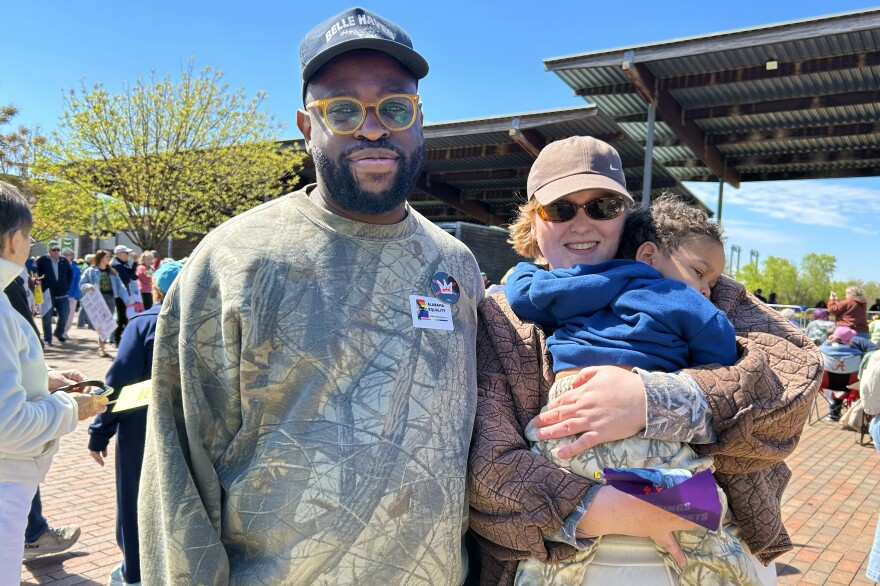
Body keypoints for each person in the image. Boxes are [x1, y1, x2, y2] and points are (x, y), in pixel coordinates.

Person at [138, 8, 483, 585]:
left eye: (395, 108)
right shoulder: (234, 260)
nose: (373, 129)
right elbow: (178, 471)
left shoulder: (454, 264)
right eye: (342, 110)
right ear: (306, 125)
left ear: (420, 120)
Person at [467, 137, 821, 586]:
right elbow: (487, 468)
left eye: (603, 206)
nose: (582, 223)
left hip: (702, 539)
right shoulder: (500, 315)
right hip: (574, 554)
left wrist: (650, 400)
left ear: (625, 214)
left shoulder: (686, 283)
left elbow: (791, 384)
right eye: (560, 210)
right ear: (532, 220)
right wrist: (618, 508)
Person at [505, 192, 759, 585]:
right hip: (644, 432)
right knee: (703, 512)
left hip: (564, 419)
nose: (707, 289)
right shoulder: (679, 297)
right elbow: (722, 352)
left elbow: (526, 292)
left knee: (554, 554)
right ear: (646, 255)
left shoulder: (583, 285)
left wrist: (522, 272)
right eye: (700, 272)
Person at [0, 181, 107, 582]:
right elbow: (7, 425)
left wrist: (44, 379)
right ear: (12, 240)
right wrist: (71, 407)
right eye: (29, 236)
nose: (33, 246)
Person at [88, 260, 183, 586]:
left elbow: (118, 384)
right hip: (193, 427)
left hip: (143, 428)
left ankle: (137, 574)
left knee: (135, 500)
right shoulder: (205, 321)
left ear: (155, 288)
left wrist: (99, 432)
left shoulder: (143, 323)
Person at [81, 250, 130, 358]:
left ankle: (102, 345)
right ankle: (101, 347)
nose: (109, 258)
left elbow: (120, 286)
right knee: (102, 323)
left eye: (109, 257)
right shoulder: (91, 271)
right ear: (100, 258)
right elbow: (82, 283)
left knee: (108, 322)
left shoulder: (112, 272)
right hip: (98, 298)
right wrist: (88, 286)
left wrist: (127, 300)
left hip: (111, 298)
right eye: (107, 256)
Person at [35, 240, 73, 345]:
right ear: (49, 250)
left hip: (62, 293)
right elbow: (36, 275)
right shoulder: (42, 260)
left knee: (65, 314)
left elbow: (70, 275)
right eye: (54, 250)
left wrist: (66, 285)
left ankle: (59, 332)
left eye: (58, 249)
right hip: (47, 293)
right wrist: (39, 287)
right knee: (47, 317)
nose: (56, 252)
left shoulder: (63, 261)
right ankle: (48, 338)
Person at [110, 245, 136, 345]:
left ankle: (116, 337)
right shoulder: (116, 265)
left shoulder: (122, 264)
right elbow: (126, 278)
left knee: (123, 316)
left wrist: (134, 263)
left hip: (123, 293)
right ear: (120, 254)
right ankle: (116, 338)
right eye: (126, 253)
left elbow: (133, 276)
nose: (128, 255)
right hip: (118, 295)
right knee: (120, 317)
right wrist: (129, 274)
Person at [61, 248, 81, 335]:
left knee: (70, 314)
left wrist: (77, 294)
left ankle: (65, 331)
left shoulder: (76, 268)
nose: (65, 256)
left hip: (72, 294)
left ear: (72, 256)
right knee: (62, 314)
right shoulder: (59, 265)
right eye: (64, 254)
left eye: (68, 255)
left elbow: (78, 282)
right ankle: (61, 330)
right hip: (61, 294)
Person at [77, 254, 96, 329]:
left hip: (84, 288)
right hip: (85, 288)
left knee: (86, 305)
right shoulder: (87, 267)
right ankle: (81, 323)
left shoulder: (84, 266)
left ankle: (84, 323)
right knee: (85, 305)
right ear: (90, 260)